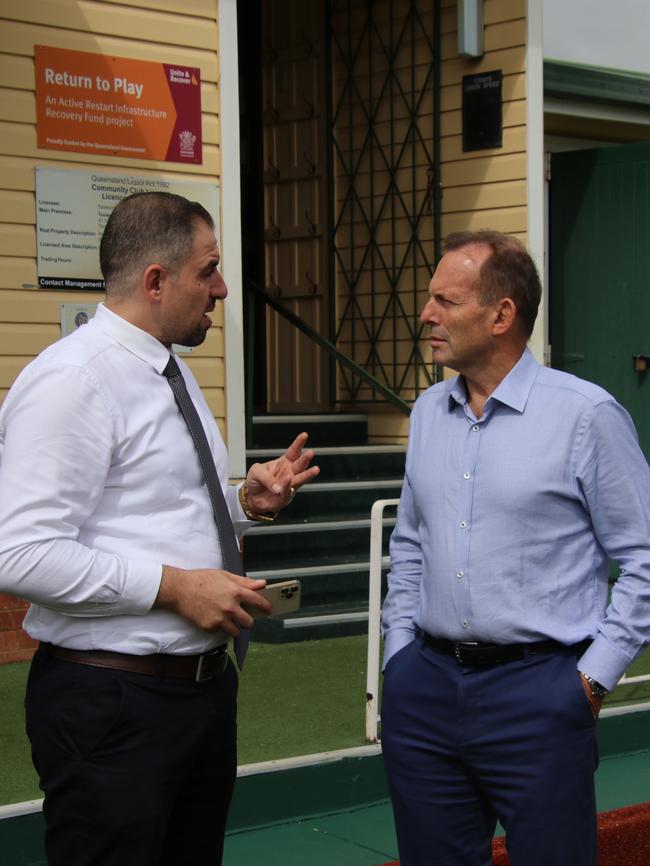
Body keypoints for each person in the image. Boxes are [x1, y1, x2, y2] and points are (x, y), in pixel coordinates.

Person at [0, 191, 319, 866]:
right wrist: (174, 588)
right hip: (113, 703)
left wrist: (242, 503)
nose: (223, 287)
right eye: (209, 269)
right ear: (155, 280)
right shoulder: (74, 380)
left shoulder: (167, 370)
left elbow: (145, 511)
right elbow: (19, 554)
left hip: (195, 695)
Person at [380, 230, 650, 866]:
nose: (426, 315)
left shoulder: (586, 416)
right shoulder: (425, 414)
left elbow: (643, 558)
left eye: (445, 301)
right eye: (429, 299)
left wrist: (590, 680)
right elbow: (411, 542)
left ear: (502, 315)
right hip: (425, 690)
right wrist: (398, 658)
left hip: (541, 694)